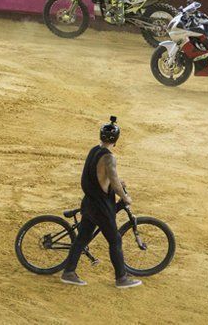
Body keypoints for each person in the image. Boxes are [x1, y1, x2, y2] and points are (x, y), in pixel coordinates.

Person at [60, 117, 142, 289]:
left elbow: (100, 177)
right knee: (115, 240)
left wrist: (119, 183)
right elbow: (111, 178)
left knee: (82, 238)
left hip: (89, 202)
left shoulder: (94, 150)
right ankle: (121, 278)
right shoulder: (109, 158)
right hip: (100, 207)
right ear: (116, 140)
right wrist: (125, 197)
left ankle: (68, 272)